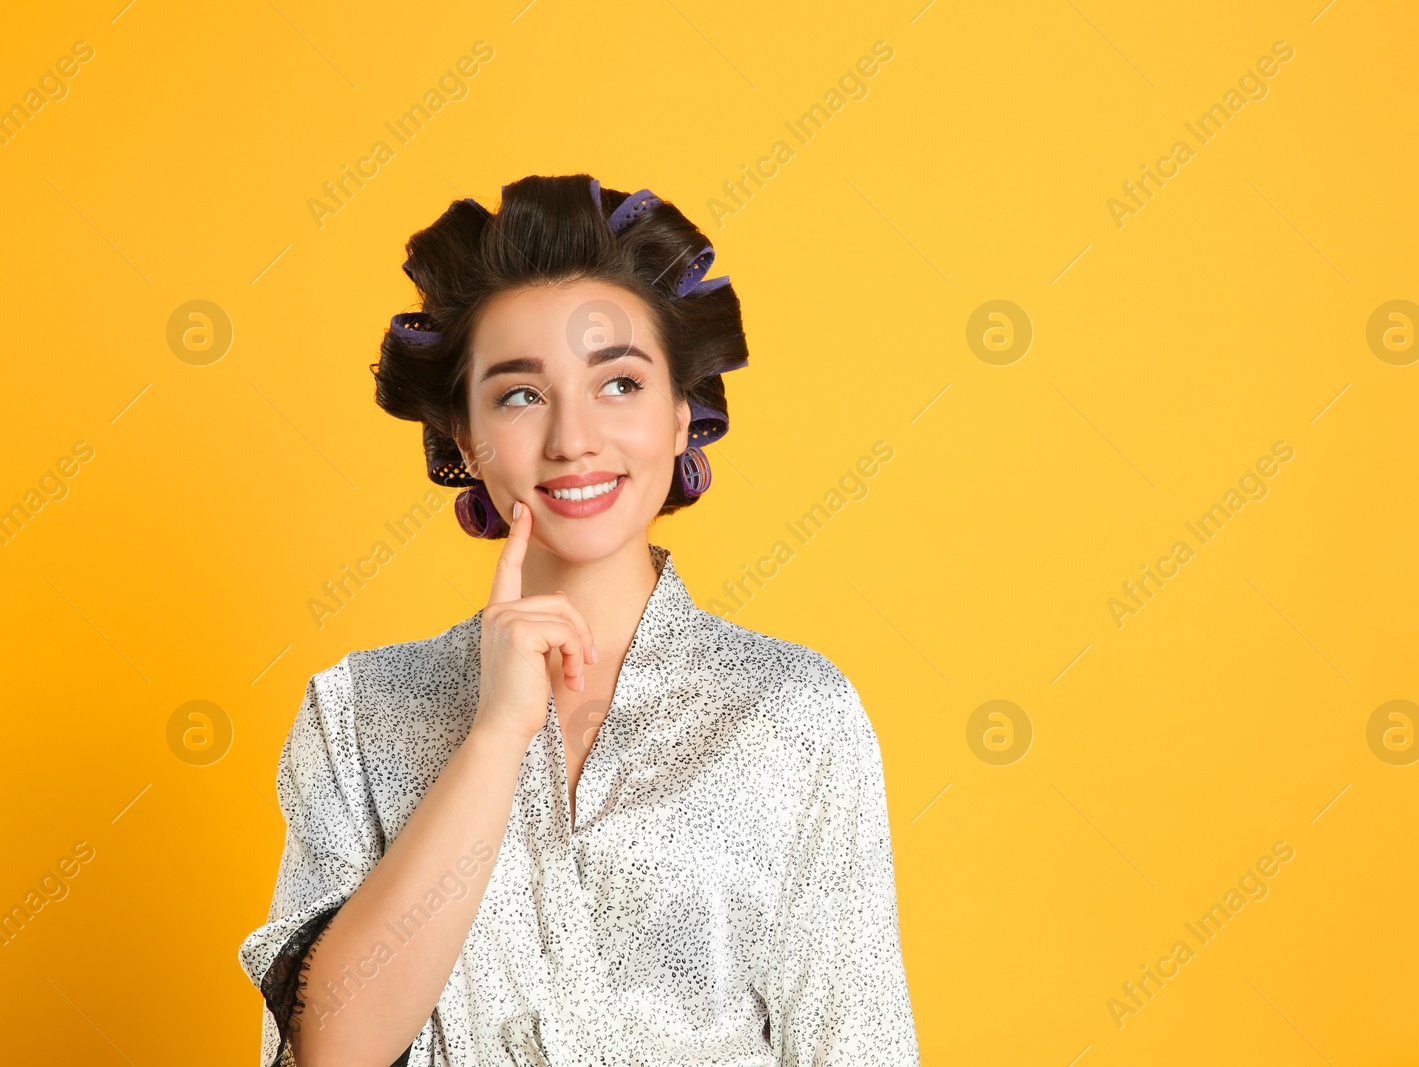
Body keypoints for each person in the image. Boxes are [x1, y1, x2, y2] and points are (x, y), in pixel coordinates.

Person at [237, 174, 919, 1067]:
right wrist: (495, 735)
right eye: (521, 394)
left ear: (683, 415)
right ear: (463, 434)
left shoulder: (794, 715)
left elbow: (858, 1045)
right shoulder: (358, 717)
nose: (573, 438)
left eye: (620, 384)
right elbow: (330, 1049)